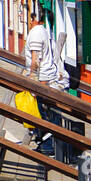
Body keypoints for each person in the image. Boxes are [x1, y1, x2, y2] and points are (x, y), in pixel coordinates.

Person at [23, 15, 75, 163]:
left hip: (43, 80)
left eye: (28, 17)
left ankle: (48, 147)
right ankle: (50, 145)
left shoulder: (36, 33)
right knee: (49, 114)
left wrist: (31, 77)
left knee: (43, 113)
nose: (26, 20)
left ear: (33, 19)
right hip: (49, 79)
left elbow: (35, 59)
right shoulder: (45, 32)